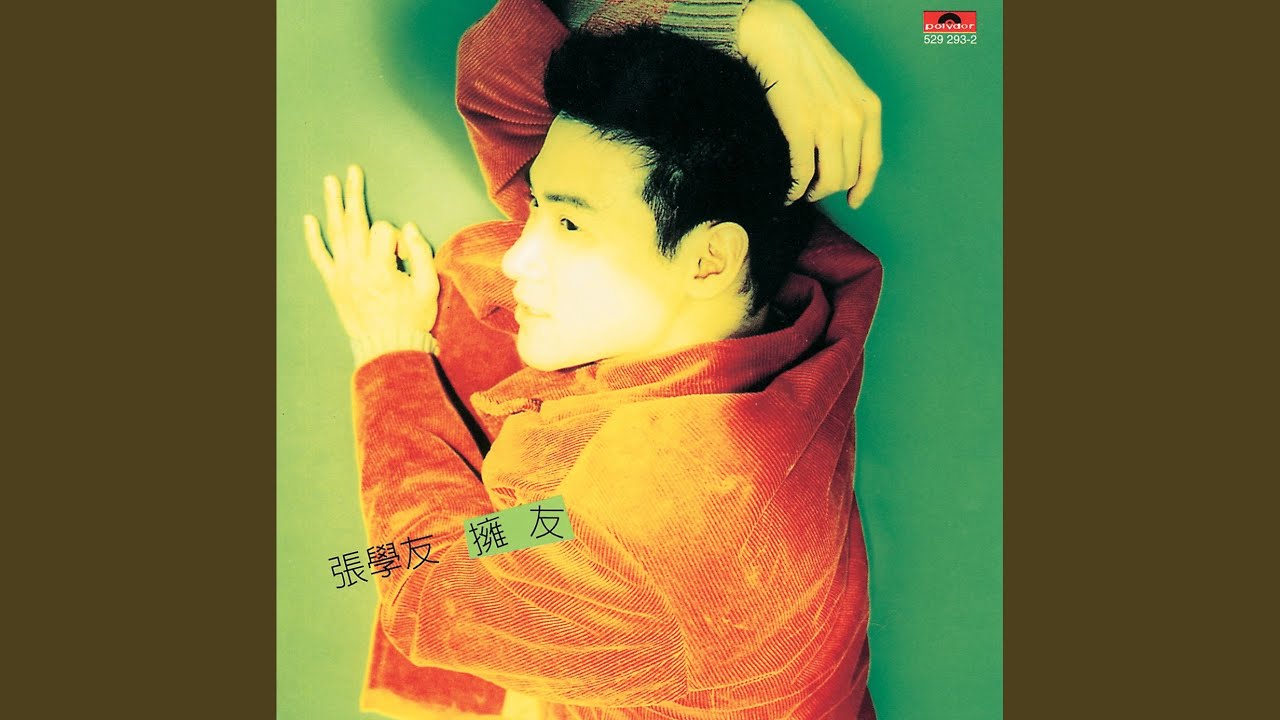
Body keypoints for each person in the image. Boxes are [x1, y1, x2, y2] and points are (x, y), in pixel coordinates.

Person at [302, 1, 884, 718]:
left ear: (709, 258)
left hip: (632, 611)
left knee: (359, 566)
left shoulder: (669, 521)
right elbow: (505, 75)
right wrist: (747, 20)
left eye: (571, 223)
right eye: (539, 208)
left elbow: (429, 596)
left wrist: (388, 348)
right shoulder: (782, 286)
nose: (516, 257)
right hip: (610, 583)